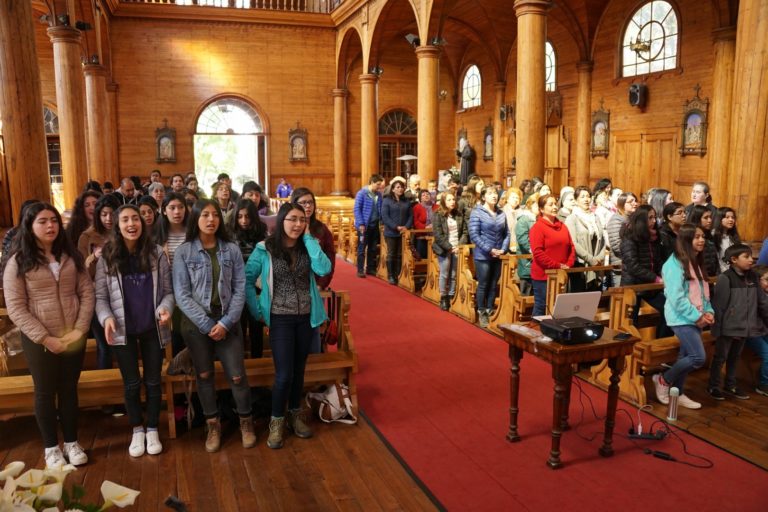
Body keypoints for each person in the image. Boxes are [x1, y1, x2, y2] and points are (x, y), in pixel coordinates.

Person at [3, 202, 94, 469]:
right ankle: (51, 448)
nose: (50, 226)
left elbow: (86, 293)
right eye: (42, 221)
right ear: (29, 227)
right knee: (44, 392)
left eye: (53, 220)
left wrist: (79, 329)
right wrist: (45, 338)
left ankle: (72, 442)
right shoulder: (18, 262)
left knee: (69, 391)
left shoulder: (71, 255)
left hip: (72, 336)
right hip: (39, 339)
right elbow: (16, 308)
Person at [244, 202, 331, 449]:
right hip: (280, 318)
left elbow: (324, 268)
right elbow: (247, 281)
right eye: (292, 219)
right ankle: (276, 421)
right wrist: (257, 310)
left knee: (299, 371)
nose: (297, 224)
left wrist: (310, 240)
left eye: (302, 220)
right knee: (284, 374)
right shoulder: (265, 249)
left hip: (306, 317)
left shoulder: (307, 247)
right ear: (281, 220)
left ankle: (295, 415)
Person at [172, 199, 254, 453]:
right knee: (204, 375)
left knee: (237, 375)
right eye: (205, 215)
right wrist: (208, 325)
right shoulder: (184, 252)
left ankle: (246, 422)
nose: (211, 219)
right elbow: (181, 295)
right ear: (196, 219)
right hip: (197, 324)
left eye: (215, 215)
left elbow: (240, 287)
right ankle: (212, 424)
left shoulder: (230, 249)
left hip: (228, 320)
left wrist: (227, 322)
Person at [94, 205, 174, 457]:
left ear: (143, 223)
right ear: (117, 225)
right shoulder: (106, 256)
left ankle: (152, 428)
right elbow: (100, 297)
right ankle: (137, 429)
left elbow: (168, 292)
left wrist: (164, 307)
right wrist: (106, 318)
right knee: (131, 384)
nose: (131, 224)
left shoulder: (156, 254)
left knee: (152, 381)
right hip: (122, 330)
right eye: (125, 219)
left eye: (135, 219)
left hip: (152, 328)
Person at [652, 223, 714, 410]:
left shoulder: (696, 262)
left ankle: (677, 391)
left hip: (697, 316)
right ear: (685, 240)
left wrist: (709, 311)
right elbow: (676, 298)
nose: (702, 240)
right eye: (696, 237)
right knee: (697, 357)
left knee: (685, 355)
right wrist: (697, 316)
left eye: (703, 236)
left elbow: (704, 293)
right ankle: (663, 380)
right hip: (681, 318)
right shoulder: (673, 264)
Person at [708, 244, 768, 401]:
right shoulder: (725, 278)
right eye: (746, 257)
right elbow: (719, 307)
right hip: (728, 328)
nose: (751, 260)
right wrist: (720, 331)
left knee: (735, 356)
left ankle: (730, 385)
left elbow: (762, 303)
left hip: (745, 327)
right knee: (721, 357)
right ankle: (713, 386)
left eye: (750, 256)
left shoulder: (753, 277)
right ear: (734, 260)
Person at [291, 187, 336, 353]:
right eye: (303, 203)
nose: (308, 206)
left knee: (313, 327)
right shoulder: (289, 228)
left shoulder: (321, 229)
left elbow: (330, 257)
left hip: (316, 286)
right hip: (292, 289)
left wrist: (321, 284)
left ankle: (315, 365)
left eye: (310, 202)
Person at [78, 194, 120, 371]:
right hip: (97, 295)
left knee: (121, 344)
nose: (108, 219)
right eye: (104, 214)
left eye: (111, 214)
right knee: (104, 345)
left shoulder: (124, 231)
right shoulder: (87, 237)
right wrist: (93, 257)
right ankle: (105, 381)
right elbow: (79, 270)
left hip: (120, 295)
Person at [620, 205, 670, 337]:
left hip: (650, 287)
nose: (654, 221)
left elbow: (657, 260)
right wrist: (656, 278)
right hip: (633, 285)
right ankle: (630, 353)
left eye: (654, 217)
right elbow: (633, 265)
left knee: (669, 310)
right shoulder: (630, 237)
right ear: (642, 220)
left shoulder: (653, 237)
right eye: (650, 218)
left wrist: (663, 274)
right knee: (630, 322)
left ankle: (659, 345)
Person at [228, 198, 268, 357]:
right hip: (235, 286)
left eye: (247, 216)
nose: (243, 220)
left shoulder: (261, 232)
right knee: (238, 326)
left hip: (256, 285)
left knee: (256, 324)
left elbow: (265, 258)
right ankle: (239, 363)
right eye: (240, 216)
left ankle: (256, 361)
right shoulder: (229, 233)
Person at [468, 185, 509, 327]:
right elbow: (474, 234)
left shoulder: (501, 213)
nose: (494, 196)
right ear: (483, 197)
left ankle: (490, 309)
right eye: (490, 194)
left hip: (498, 254)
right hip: (483, 255)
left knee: (493, 284)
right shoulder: (477, 212)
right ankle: (481, 311)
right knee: (484, 284)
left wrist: (503, 249)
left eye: (495, 194)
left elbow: (507, 234)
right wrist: (489, 249)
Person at [529, 194, 576, 316]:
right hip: (543, 275)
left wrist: (568, 264)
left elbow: (571, 247)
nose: (555, 207)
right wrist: (557, 266)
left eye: (555, 204)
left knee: (559, 308)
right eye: (550, 205)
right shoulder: (537, 228)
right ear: (541, 209)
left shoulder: (562, 226)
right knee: (542, 306)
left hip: (561, 274)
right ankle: (534, 333)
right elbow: (538, 253)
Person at [565, 186, 606, 292]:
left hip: (596, 263)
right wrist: (591, 259)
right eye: (582, 197)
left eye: (588, 196)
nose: (586, 199)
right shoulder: (572, 218)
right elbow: (573, 242)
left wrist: (599, 258)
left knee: (595, 298)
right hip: (580, 265)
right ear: (576, 200)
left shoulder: (595, 217)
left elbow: (602, 240)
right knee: (579, 301)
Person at [432, 191, 468, 311]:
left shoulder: (458, 214)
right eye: (449, 200)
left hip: (457, 247)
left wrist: (459, 245)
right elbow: (438, 235)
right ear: (443, 201)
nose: (452, 202)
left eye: (453, 199)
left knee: (453, 274)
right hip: (444, 248)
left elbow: (464, 232)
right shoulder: (438, 214)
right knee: (444, 274)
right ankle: (443, 297)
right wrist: (450, 247)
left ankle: (452, 295)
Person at [381, 176, 413, 285]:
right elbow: (385, 217)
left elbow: (410, 216)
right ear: (393, 189)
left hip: (403, 232)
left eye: (402, 187)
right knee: (392, 254)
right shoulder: (387, 201)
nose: (400, 189)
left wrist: (406, 227)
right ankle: (391, 275)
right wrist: (396, 227)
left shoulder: (406, 201)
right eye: (398, 187)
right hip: (391, 232)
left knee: (400, 254)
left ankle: (399, 275)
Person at [353, 174, 385, 278]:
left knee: (373, 248)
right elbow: (357, 209)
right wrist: (361, 223)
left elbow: (380, 209)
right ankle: (360, 269)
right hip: (364, 226)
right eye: (378, 184)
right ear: (371, 183)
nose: (380, 187)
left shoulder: (379, 195)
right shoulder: (362, 193)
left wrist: (381, 222)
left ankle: (370, 269)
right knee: (362, 248)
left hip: (375, 225)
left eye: (380, 185)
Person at [605, 192, 638, 286]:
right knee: (620, 296)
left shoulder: (634, 220)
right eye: (631, 201)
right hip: (621, 266)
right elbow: (616, 245)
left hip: (634, 266)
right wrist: (635, 252)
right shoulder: (616, 220)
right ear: (622, 204)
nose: (635, 203)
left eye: (635, 201)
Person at [746, 265, 768, 396]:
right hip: (751, 333)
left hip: (763, 330)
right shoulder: (751, 296)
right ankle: (764, 385)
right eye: (766, 279)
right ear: (758, 281)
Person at [515, 193, 540, 296]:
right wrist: (533, 250)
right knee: (526, 290)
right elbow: (522, 238)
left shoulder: (539, 219)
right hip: (527, 260)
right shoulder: (524, 219)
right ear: (531, 205)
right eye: (538, 205)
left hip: (537, 260)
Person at [688, 204, 720, 277]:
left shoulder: (710, 236)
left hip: (712, 278)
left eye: (710, 217)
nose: (710, 220)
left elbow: (715, 261)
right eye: (706, 218)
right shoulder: (690, 237)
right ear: (697, 219)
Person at [713, 207, 741, 273]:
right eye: (727, 217)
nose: (731, 220)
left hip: (732, 270)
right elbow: (716, 258)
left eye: (733, 217)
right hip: (719, 272)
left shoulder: (733, 235)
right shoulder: (714, 235)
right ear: (720, 219)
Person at [413, 189, 437, 258]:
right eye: (423, 195)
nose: (426, 196)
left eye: (427, 194)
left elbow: (440, 220)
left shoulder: (437, 207)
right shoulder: (416, 207)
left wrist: (434, 225)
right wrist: (425, 227)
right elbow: (415, 222)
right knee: (422, 257)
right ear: (420, 198)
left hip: (434, 236)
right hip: (421, 236)